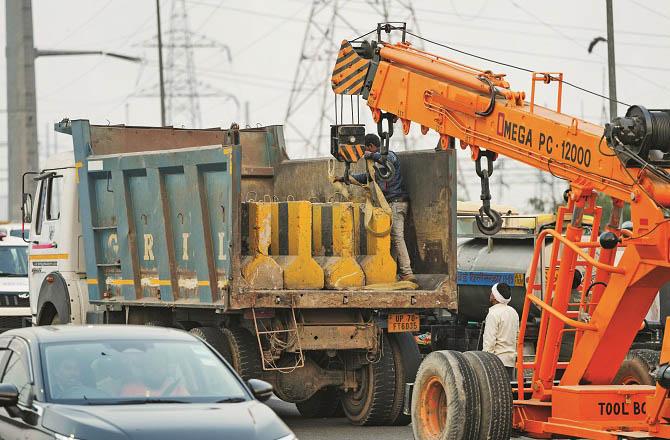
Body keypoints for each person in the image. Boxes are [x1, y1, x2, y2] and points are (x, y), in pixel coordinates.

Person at [336, 133, 415, 282]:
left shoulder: (389, 156)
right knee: (391, 239)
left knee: (397, 237)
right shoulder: (377, 167)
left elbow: (386, 159)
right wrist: (344, 179)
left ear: (371, 146)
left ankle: (407, 272)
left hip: (397, 203)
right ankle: (393, 270)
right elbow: (367, 177)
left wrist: (366, 154)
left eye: (367, 149)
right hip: (391, 204)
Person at [482, 282, 519, 381]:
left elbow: (489, 341)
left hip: (496, 362)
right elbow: (517, 336)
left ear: (495, 297)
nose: (490, 294)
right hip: (510, 361)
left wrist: (486, 361)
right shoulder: (513, 312)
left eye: (492, 292)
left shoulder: (493, 314)